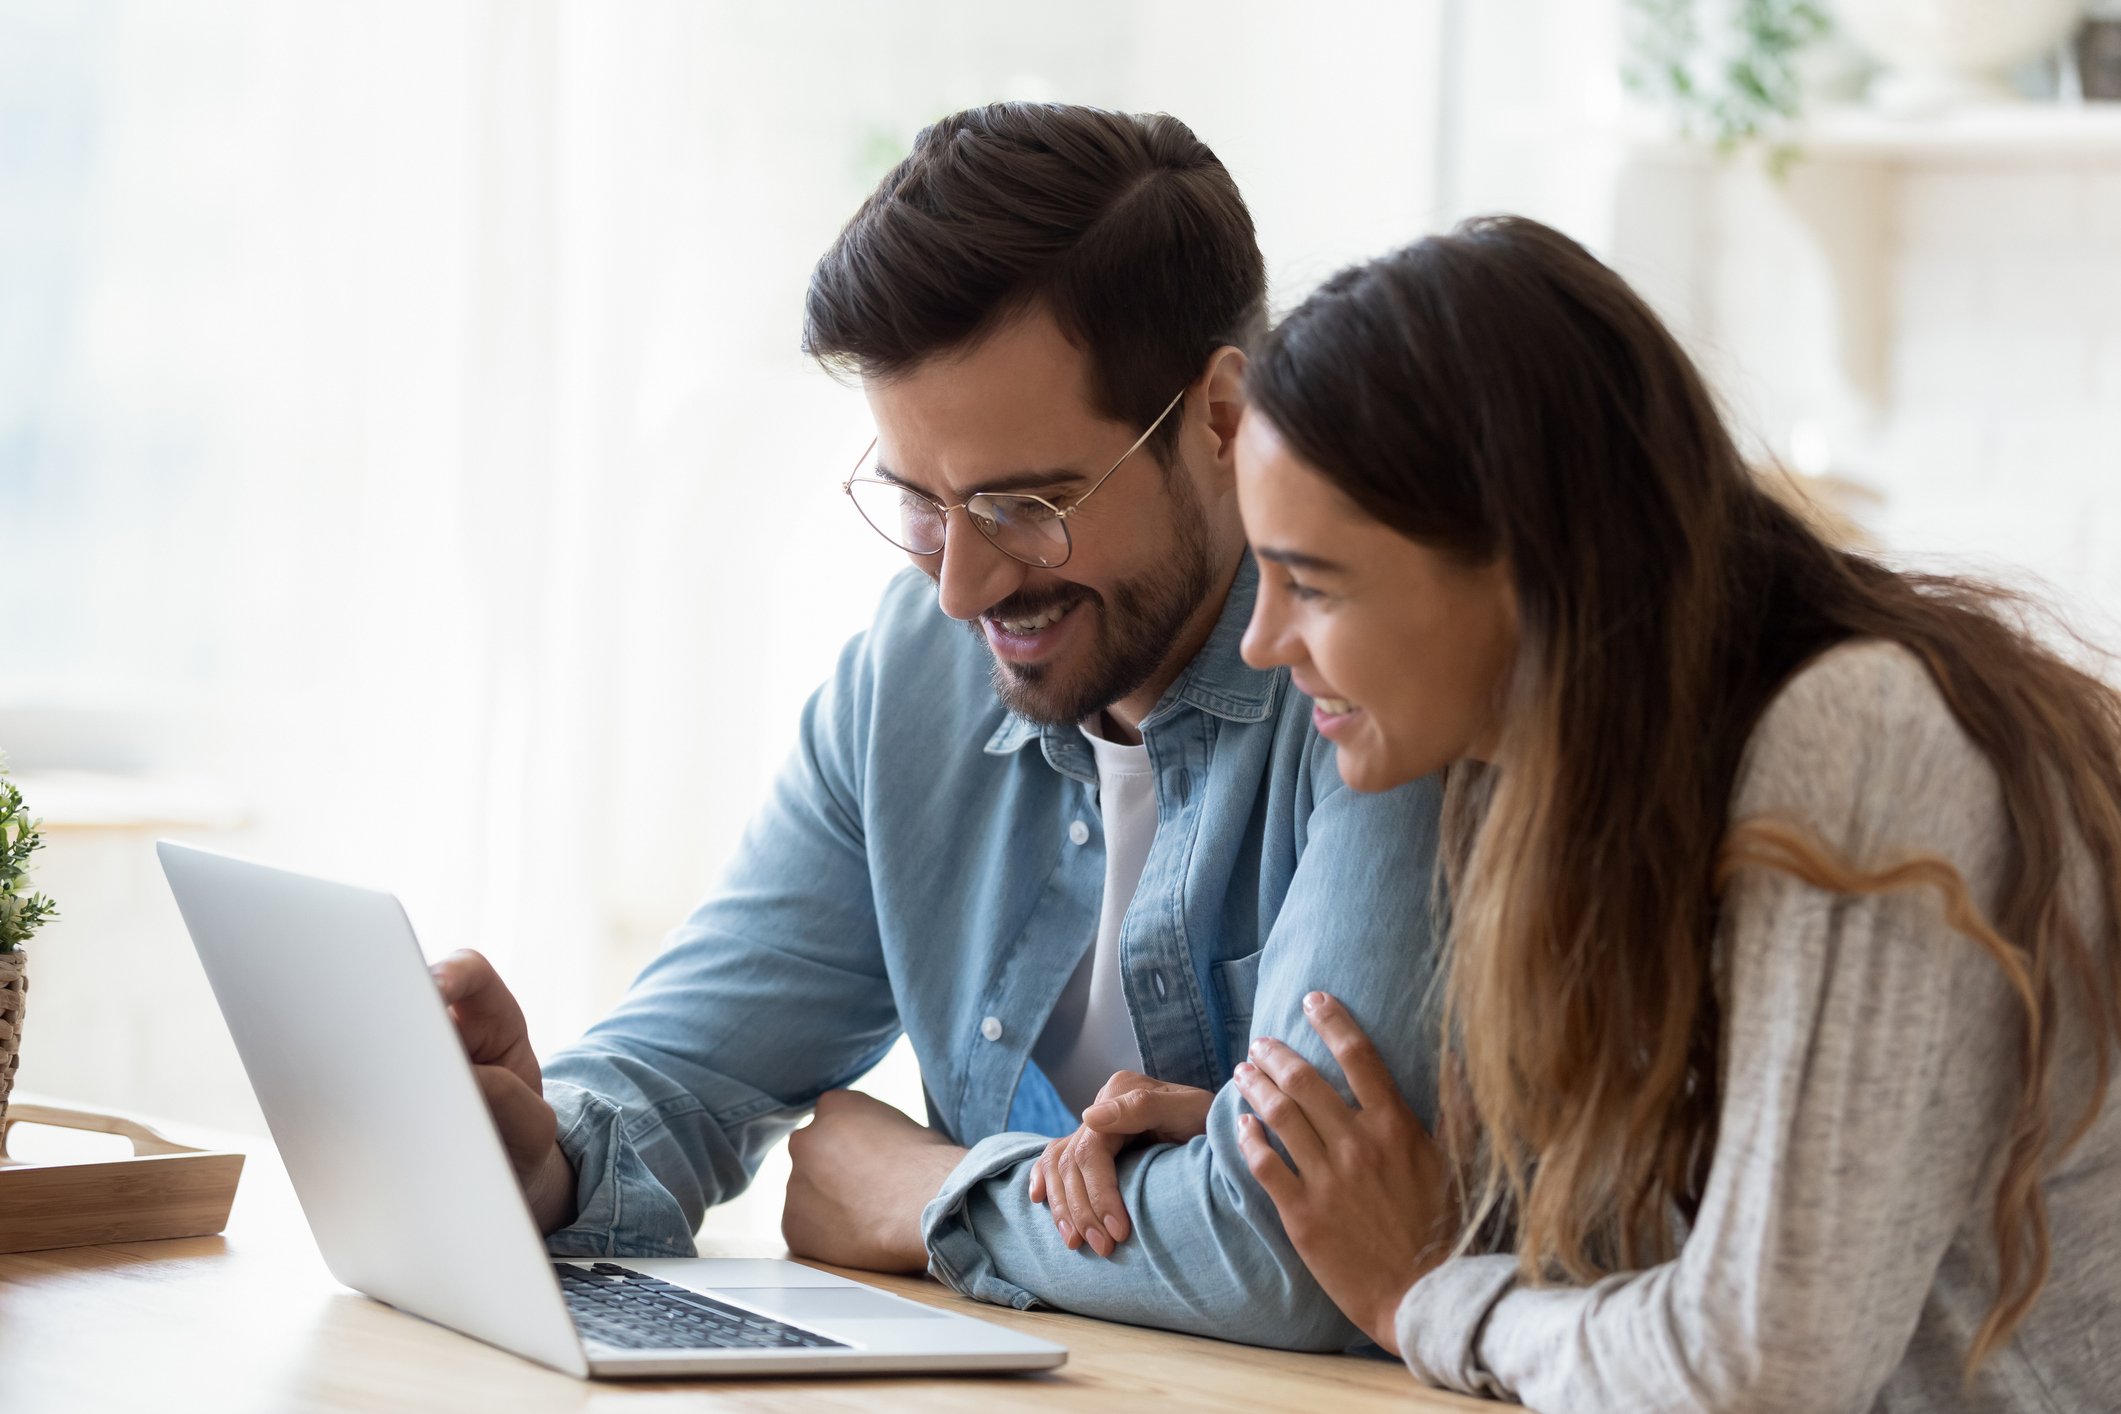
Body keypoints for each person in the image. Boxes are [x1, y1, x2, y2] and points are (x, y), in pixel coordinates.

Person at [428, 102, 1448, 1350]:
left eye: (1026, 502)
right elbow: (682, 1074)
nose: (962, 585)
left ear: (1220, 420)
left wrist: (927, 1197)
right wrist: (537, 1152)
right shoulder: (916, 671)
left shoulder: (1385, 686)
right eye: (917, 501)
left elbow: (1304, 1251)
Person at [1204, 215, 2120, 1409]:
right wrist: (1233, 1147)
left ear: (1523, 564)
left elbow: (1763, 1366)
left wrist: (1426, 1294)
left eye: (1311, 583)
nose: (1265, 642)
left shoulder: (1859, 735)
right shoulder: (1564, 783)